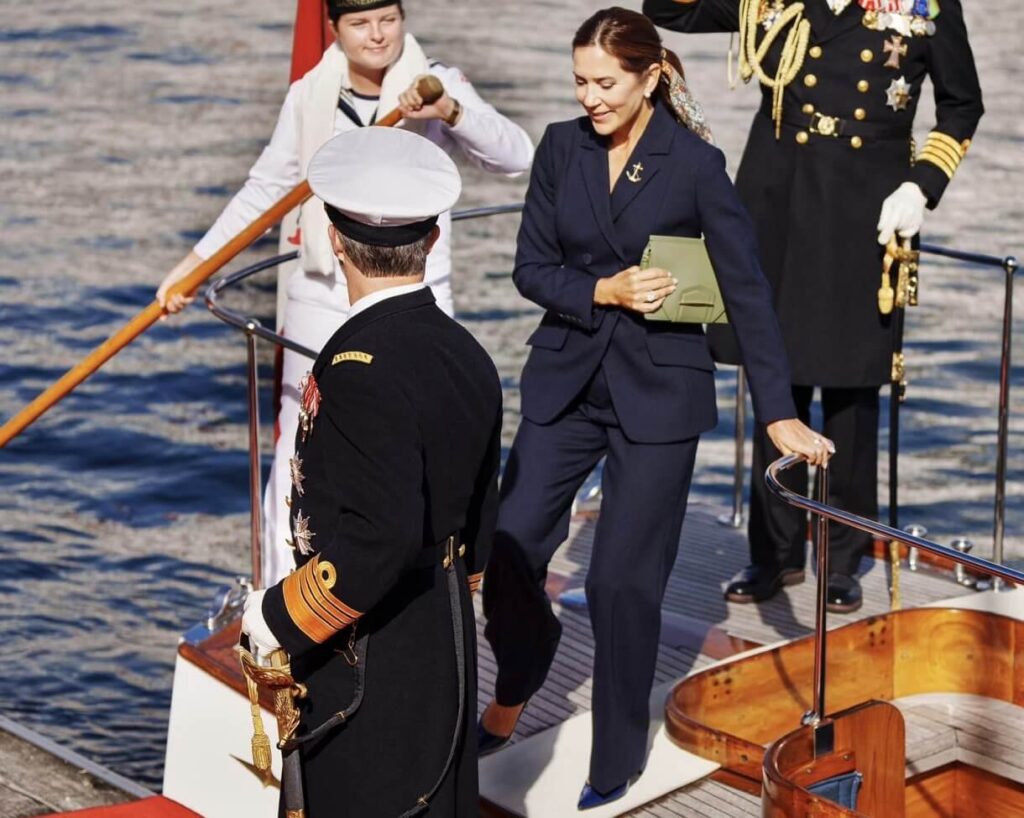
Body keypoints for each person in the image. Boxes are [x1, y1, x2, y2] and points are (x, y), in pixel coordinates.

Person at [477, 7, 832, 810]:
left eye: (606, 83)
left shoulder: (696, 164)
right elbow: (531, 268)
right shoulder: (561, 148)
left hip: (660, 393)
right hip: (565, 384)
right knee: (505, 544)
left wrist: (775, 409)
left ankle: (617, 752)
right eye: (580, 82)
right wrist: (601, 288)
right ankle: (524, 674)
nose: (591, 97)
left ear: (647, 78)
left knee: (619, 584)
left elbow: (746, 291)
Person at [157, 0, 532, 587]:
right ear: (335, 28)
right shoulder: (310, 94)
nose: (377, 35)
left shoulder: (437, 83)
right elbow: (265, 190)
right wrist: (194, 266)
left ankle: (429, 591)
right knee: (300, 454)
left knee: (423, 441)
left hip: (414, 296)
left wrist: (451, 111)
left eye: (388, 19)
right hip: (321, 298)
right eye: (360, 23)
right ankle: (285, 606)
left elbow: (516, 157)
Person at [644, 0, 984, 612]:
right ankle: (773, 554)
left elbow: (962, 105)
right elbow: (669, 11)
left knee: (852, 393)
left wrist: (922, 186)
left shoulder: (924, 3)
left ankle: (843, 556)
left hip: (866, 206)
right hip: (779, 198)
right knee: (776, 379)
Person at [240, 126, 503, 817]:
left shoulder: (357, 368)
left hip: (367, 656)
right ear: (433, 241)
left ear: (334, 239)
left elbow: (377, 541)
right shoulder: (467, 354)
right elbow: (479, 521)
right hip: (441, 639)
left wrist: (275, 618)